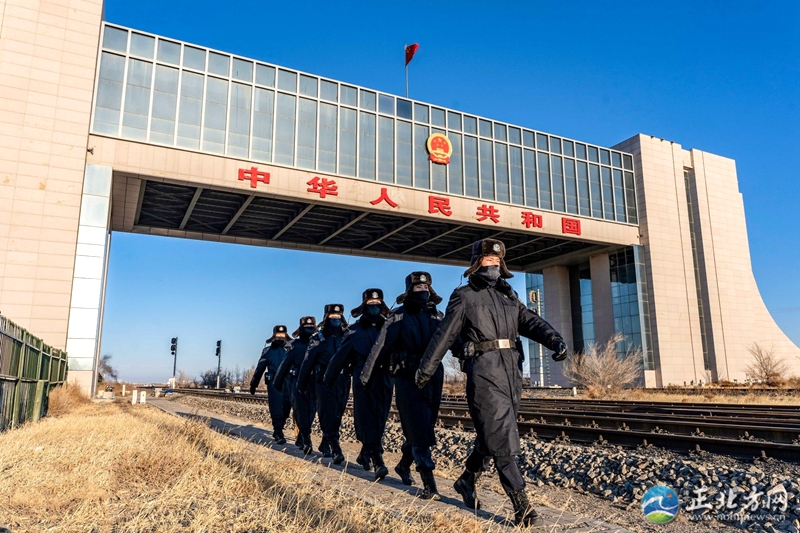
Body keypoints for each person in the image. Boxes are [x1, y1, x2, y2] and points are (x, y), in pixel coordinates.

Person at [415, 238, 568, 527]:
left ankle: (467, 479)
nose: (493, 263)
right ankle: (522, 506)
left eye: (498, 260)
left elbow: (531, 321)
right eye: (487, 259)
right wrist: (426, 368)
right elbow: (445, 335)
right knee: (503, 437)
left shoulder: (509, 297)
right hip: (484, 372)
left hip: (512, 373)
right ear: (476, 262)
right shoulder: (464, 296)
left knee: (493, 435)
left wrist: (554, 339)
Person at [361, 272, 445, 499]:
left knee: (425, 426)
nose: (423, 291)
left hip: (434, 376)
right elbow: (380, 347)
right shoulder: (398, 316)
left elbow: (452, 340)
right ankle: (429, 483)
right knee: (418, 426)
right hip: (408, 376)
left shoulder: (438, 316)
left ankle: (404, 464)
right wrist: (366, 375)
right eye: (417, 288)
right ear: (409, 291)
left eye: (426, 287)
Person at [324, 288, 392, 481]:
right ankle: (378, 459)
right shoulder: (353, 331)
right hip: (362, 378)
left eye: (377, 304)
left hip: (385, 378)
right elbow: (340, 357)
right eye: (370, 304)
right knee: (366, 418)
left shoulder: (389, 326)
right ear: (364, 305)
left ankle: (365, 453)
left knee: (380, 419)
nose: (374, 307)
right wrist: (329, 379)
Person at [298, 303, 350, 464]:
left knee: (338, 415)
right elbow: (307, 362)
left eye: (338, 316)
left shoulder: (347, 335)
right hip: (323, 381)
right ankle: (336, 449)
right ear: (326, 318)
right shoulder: (318, 339)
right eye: (332, 317)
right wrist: (301, 384)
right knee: (328, 413)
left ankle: (324, 443)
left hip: (342, 380)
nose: (335, 319)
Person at [274, 316, 318, 455]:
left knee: (312, 411)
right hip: (298, 382)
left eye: (311, 328)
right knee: (301, 410)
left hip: (314, 382)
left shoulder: (319, 343)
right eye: (306, 328)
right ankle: (306, 439)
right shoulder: (295, 345)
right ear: (300, 329)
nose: (309, 330)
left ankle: (302, 436)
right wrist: (278, 382)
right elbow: (285, 364)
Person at [250, 325, 293, 445]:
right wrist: (254, 383)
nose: (280, 337)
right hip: (274, 383)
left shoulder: (291, 349)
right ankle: (278, 431)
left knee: (286, 407)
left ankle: (280, 426)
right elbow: (260, 368)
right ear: (274, 335)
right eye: (278, 335)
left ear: (286, 335)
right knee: (276, 407)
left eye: (282, 335)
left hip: (288, 382)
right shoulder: (268, 351)